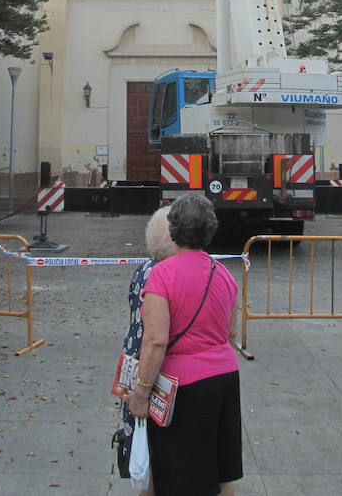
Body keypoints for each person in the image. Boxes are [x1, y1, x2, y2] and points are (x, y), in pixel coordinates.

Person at [125, 193, 242, 496]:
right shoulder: (225, 275)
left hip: (181, 387)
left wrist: (140, 393)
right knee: (220, 470)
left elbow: (155, 340)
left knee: (172, 474)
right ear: (210, 230)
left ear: (173, 229)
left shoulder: (162, 275)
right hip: (224, 379)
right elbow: (231, 335)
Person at [120, 207, 176, 492]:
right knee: (156, 451)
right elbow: (156, 338)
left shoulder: (143, 269)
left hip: (135, 366)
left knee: (144, 446)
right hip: (153, 372)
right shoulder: (166, 276)